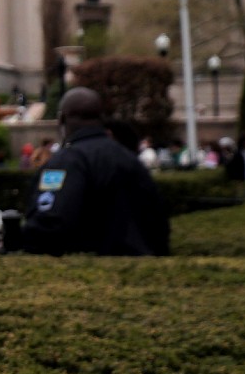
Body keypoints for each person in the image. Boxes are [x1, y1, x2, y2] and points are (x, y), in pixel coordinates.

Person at [22, 87, 169, 256]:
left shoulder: (66, 161)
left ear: (62, 119)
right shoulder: (130, 159)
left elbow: (47, 226)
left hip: (91, 272)